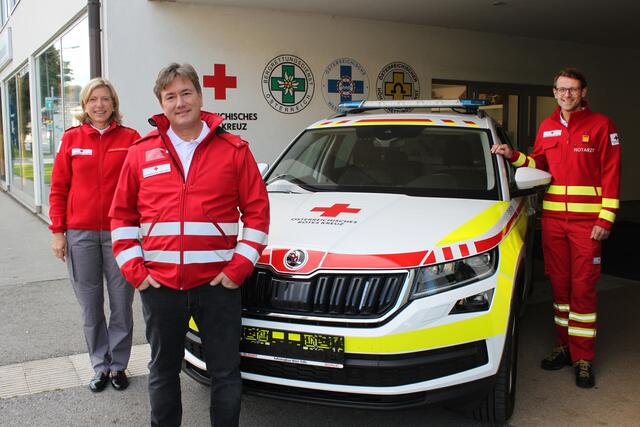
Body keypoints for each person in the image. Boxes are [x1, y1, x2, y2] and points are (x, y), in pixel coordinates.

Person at [110, 62, 269, 426]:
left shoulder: (234, 149)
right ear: (161, 104)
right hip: (160, 285)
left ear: (200, 96)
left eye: (186, 93)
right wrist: (138, 273)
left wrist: (238, 269)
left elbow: (258, 213)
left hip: (218, 286)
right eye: (171, 96)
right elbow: (121, 217)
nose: (179, 102)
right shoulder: (141, 152)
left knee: (226, 373)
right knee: (163, 373)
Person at [491, 68, 621, 388]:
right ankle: (563, 347)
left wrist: (606, 219)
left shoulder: (602, 125)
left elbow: (611, 173)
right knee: (560, 291)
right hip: (552, 222)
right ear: (554, 92)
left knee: (583, 291)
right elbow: (540, 165)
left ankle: (583, 358)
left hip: (587, 226)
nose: (567, 95)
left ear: (583, 92)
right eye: (562, 90)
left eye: (573, 90)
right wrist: (515, 156)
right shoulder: (547, 127)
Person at [49, 78, 141, 392]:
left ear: (113, 104)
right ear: (85, 106)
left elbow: (142, 188)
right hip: (80, 234)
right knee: (90, 306)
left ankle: (118, 366)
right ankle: (99, 366)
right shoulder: (71, 139)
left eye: (105, 99)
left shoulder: (131, 139)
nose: (99, 105)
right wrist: (58, 232)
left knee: (120, 304)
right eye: (93, 100)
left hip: (121, 235)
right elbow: (59, 189)